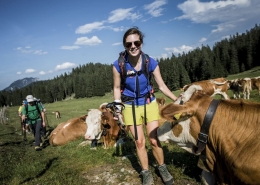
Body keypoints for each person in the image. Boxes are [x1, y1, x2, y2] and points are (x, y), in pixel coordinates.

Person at [113, 27, 178, 185]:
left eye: (136, 42)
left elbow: (161, 86)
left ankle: (162, 167)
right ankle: (146, 172)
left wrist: (176, 99)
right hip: (129, 106)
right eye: (129, 44)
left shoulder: (150, 62)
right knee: (140, 142)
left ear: (141, 43)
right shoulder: (118, 65)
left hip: (149, 103)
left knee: (154, 140)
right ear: (125, 46)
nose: (133, 46)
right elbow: (116, 88)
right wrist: (117, 107)